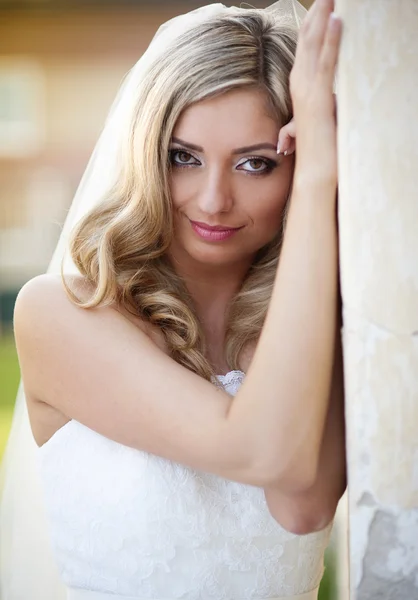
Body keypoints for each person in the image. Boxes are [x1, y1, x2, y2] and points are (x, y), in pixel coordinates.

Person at [1, 0, 346, 598]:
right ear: (146, 151)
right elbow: (260, 452)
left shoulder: (313, 322)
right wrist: (316, 178)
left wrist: (319, 175)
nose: (213, 199)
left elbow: (300, 506)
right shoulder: (59, 314)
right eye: (183, 157)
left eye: (256, 164)